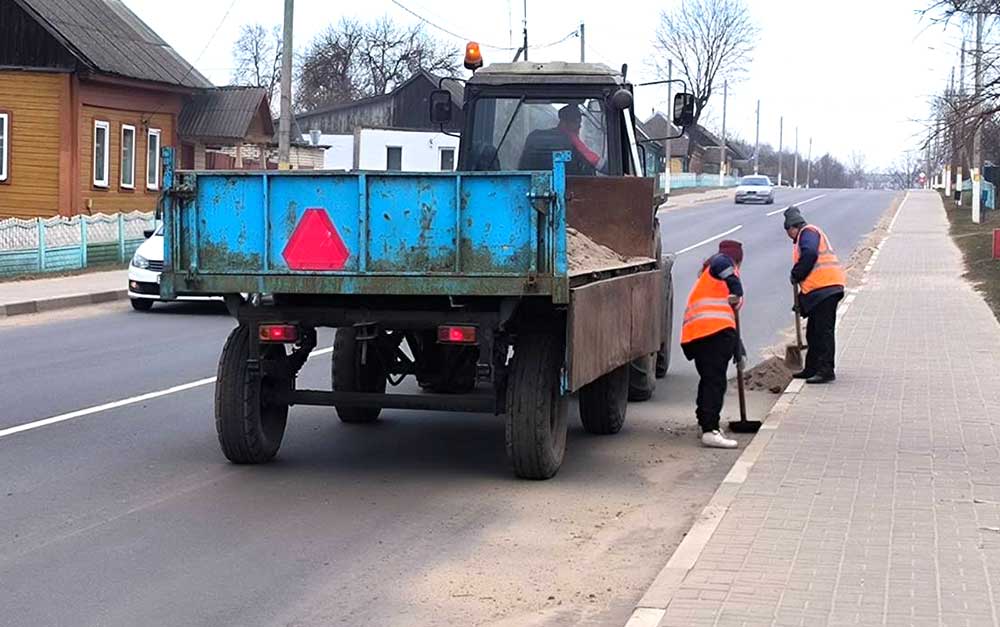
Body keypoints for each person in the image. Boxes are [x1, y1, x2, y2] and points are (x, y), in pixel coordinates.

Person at [680, 240, 746, 449]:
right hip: (712, 333)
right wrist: (737, 288)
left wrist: (738, 347)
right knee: (715, 382)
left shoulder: (711, 276)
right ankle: (710, 430)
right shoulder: (722, 262)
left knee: (709, 380)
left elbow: (729, 318)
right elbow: (721, 262)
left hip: (701, 334)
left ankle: (705, 422)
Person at [783, 206, 846, 384]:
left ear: (792, 227)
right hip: (821, 290)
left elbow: (810, 254)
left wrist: (796, 273)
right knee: (813, 332)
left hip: (826, 287)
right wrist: (802, 302)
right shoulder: (807, 234)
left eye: (788, 232)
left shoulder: (807, 232)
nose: (790, 237)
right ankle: (812, 368)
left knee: (823, 332)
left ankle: (826, 370)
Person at [518, 104, 603, 175]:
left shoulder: (534, 136)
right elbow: (593, 160)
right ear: (564, 122)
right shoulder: (571, 139)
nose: (579, 126)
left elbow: (522, 167)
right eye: (576, 122)